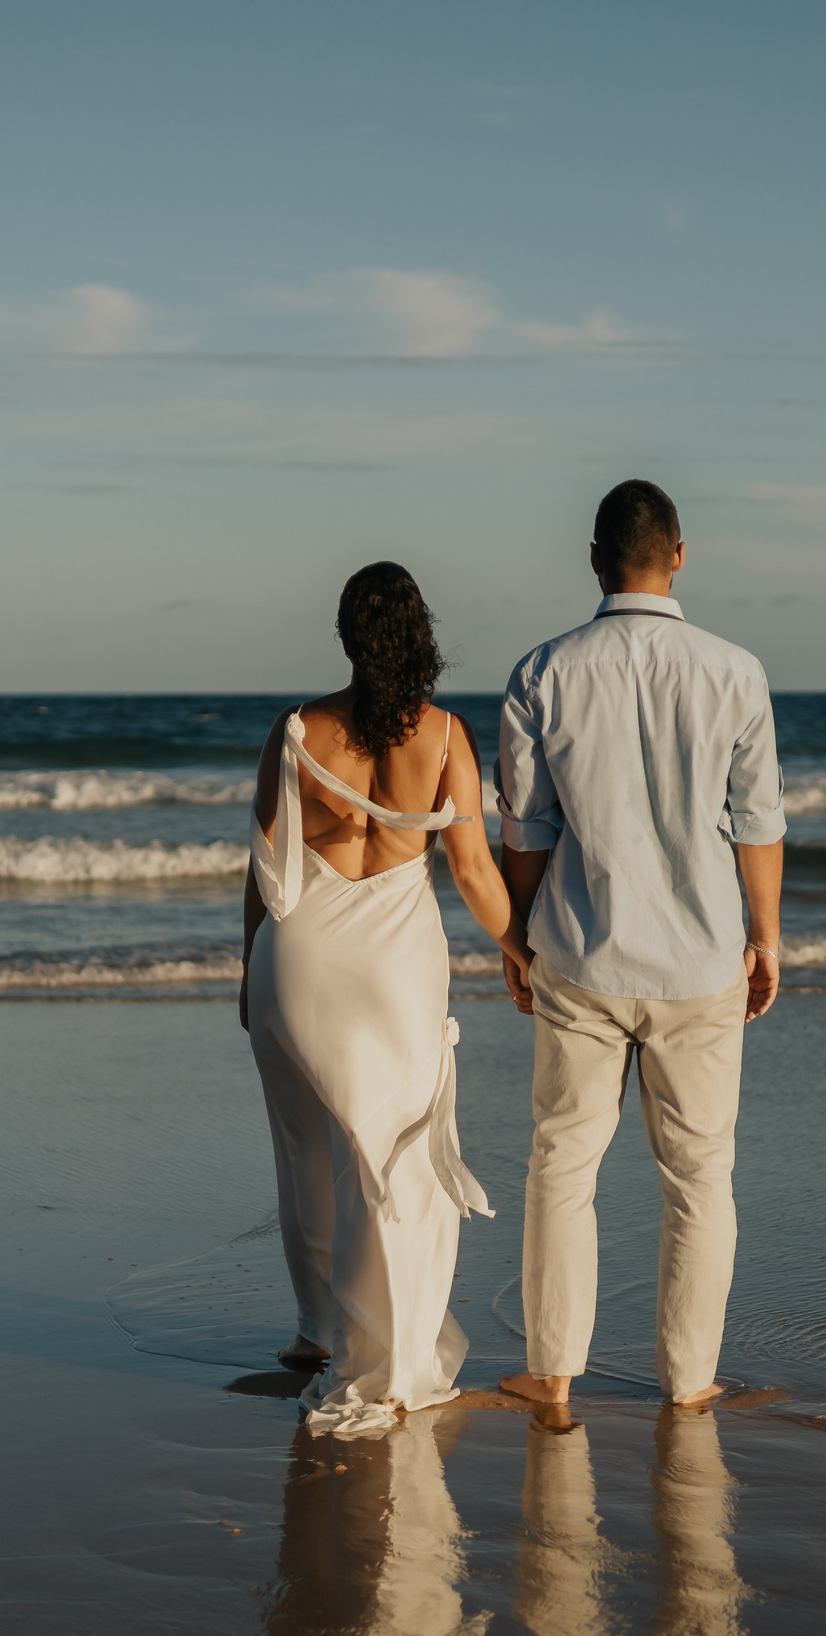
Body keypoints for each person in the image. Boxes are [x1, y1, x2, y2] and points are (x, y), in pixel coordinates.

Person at [496, 480, 785, 1414]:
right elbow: (757, 821)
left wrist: (517, 932)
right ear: (680, 554)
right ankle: (690, 1383)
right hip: (702, 959)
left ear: (594, 558)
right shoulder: (735, 670)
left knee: (562, 1164)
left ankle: (552, 1373)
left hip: (581, 953)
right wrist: (766, 936)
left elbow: (528, 827)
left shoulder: (543, 671)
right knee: (701, 1176)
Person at [240, 562, 521, 1437]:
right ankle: (386, 1344)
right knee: (394, 1156)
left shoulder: (294, 731)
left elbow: (263, 868)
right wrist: (520, 945)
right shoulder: (442, 737)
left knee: (306, 1150)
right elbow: (473, 871)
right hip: (395, 965)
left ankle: (317, 1331)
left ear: (347, 637)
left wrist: (246, 973)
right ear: (420, 633)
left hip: (296, 960)